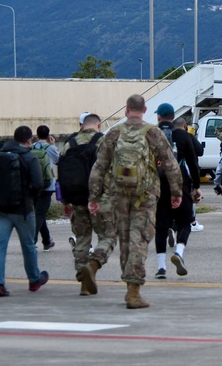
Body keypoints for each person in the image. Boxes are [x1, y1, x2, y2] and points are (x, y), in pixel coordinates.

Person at [88, 94, 182, 309]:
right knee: (139, 240)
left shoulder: (113, 133)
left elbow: (99, 167)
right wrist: (177, 192)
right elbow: (170, 164)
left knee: (125, 240)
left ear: (126, 110)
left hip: (118, 194)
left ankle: (99, 267)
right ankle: (133, 291)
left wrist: (93, 197)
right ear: (145, 109)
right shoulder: (153, 132)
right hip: (145, 195)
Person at [0, 125, 49, 297]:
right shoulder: (29, 158)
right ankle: (34, 279)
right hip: (22, 210)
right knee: (28, 245)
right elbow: (38, 184)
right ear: (29, 141)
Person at [59, 113, 116, 296]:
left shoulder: (69, 143)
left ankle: (84, 282)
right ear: (98, 125)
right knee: (108, 236)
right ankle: (93, 265)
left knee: (82, 238)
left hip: (76, 197)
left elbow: (61, 172)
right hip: (100, 199)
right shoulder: (103, 141)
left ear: (82, 125)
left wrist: (65, 200)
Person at [152, 104, 201, 280]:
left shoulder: (151, 134)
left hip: (158, 184)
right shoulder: (182, 135)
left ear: (159, 117)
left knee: (161, 225)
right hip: (181, 182)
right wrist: (196, 186)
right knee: (185, 221)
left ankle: (161, 267)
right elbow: (193, 162)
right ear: (173, 117)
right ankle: (179, 252)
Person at [31, 125, 58, 250]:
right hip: (47, 185)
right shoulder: (50, 148)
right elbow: (59, 160)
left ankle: (46, 241)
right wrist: (53, 145)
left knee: (39, 212)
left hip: (33, 185)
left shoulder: (31, 147)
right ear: (48, 136)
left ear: (36, 135)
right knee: (40, 213)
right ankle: (32, 241)